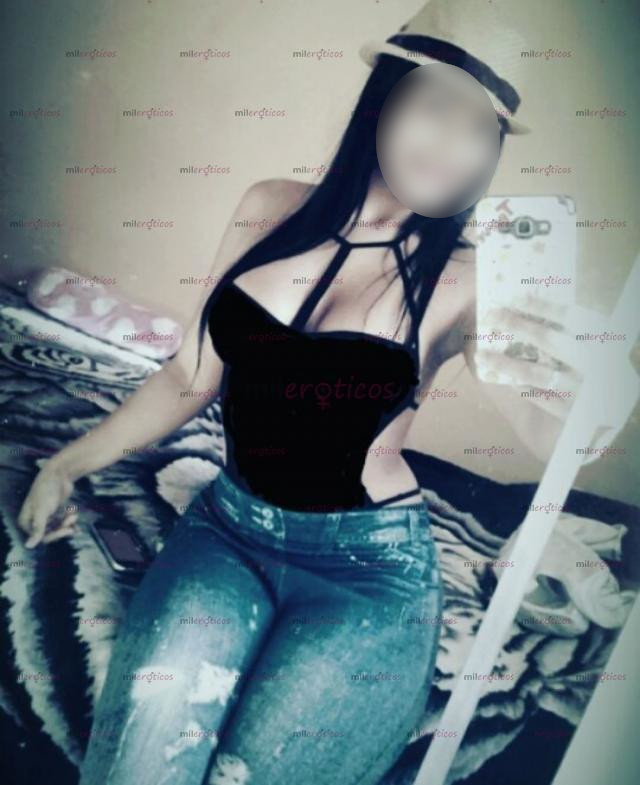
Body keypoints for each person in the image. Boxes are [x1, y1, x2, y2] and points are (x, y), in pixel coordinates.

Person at [18, 3, 570, 784]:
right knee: (137, 764)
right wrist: (65, 464)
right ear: (385, 97)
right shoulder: (267, 206)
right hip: (226, 529)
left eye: (483, 129)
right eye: (439, 106)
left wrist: (582, 383)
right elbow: (189, 375)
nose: (456, 144)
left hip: (368, 574)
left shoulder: (473, 282)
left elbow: (550, 431)